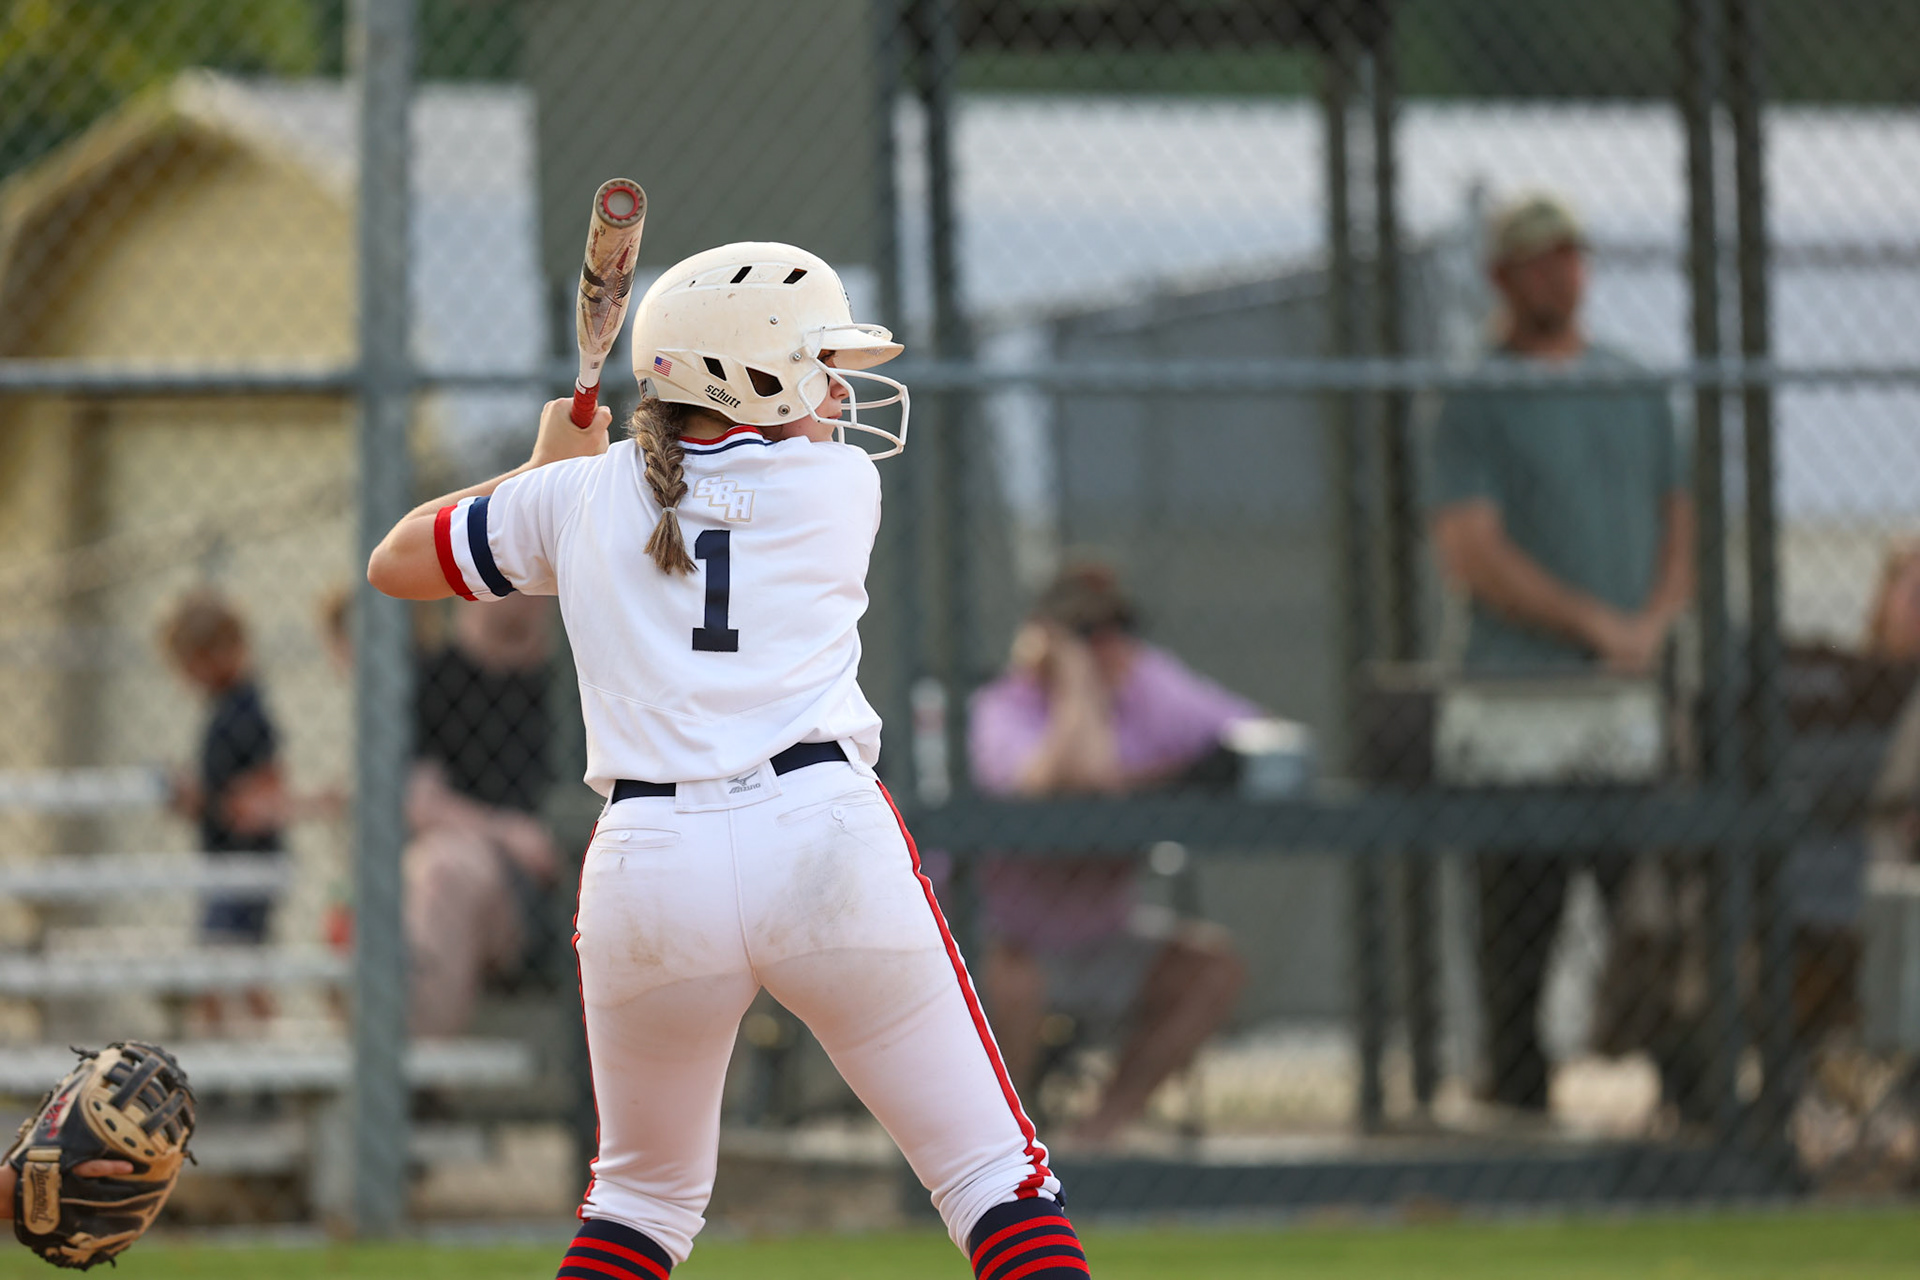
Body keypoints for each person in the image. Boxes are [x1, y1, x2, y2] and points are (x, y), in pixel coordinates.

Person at [368, 242, 1090, 1279]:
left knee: (638, 1202)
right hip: (823, 839)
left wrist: (542, 473)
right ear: (752, 377)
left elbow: (396, 559)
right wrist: (571, 481)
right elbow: (700, 499)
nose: (840, 390)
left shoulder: (577, 497)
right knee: (992, 1172)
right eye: (817, 363)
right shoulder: (838, 483)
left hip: (650, 860)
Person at [1429, 191, 1695, 1115]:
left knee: (1654, 892)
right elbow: (1471, 550)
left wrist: (1652, 624)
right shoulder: (1477, 392)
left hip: (1628, 692)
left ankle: (1689, 1090)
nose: (1561, 275)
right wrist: (1597, 626)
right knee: (1519, 903)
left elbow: (1680, 521)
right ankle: (1516, 1090)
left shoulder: (1632, 381)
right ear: (1502, 277)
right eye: (1540, 260)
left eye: (1571, 257)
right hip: (1519, 689)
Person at [969, 562, 1251, 1148]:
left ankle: (1098, 1136)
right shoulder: (1003, 708)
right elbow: (1043, 783)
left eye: (1114, 628)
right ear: (1040, 635)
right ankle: (1007, 1151)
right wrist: (1076, 686)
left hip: (1101, 939)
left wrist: (1147, 779)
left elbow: (1256, 737)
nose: (1105, 645)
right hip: (1006, 943)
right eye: (1083, 631)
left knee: (1212, 968)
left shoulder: (1149, 685)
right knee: (1011, 979)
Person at [406, 593, 560, 1036]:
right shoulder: (434, 679)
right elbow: (421, 804)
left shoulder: (578, 678)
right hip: (487, 871)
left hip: (577, 872)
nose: (534, 588)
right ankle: (422, 1083)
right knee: (444, 868)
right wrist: (507, 833)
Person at [159, 590, 287, 1030]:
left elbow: (264, 789)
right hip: (225, 860)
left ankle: (259, 1060)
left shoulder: (245, 710)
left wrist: (205, 800)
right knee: (228, 964)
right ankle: (234, 1057)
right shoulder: (224, 710)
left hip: (247, 863)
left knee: (230, 964)